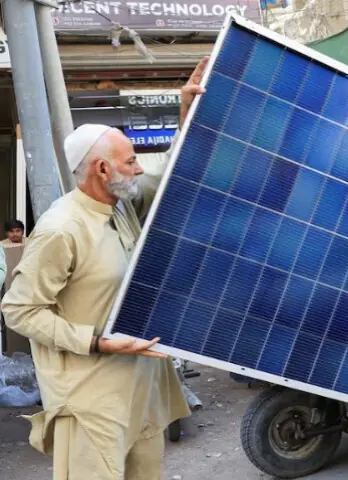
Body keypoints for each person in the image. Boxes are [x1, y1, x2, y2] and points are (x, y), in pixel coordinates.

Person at [1, 56, 208, 479]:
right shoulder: (62, 229)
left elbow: (170, 171)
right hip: (92, 397)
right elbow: (19, 311)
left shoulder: (121, 204)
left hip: (141, 387)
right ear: (102, 169)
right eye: (131, 160)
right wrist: (96, 341)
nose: (138, 167)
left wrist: (186, 112)